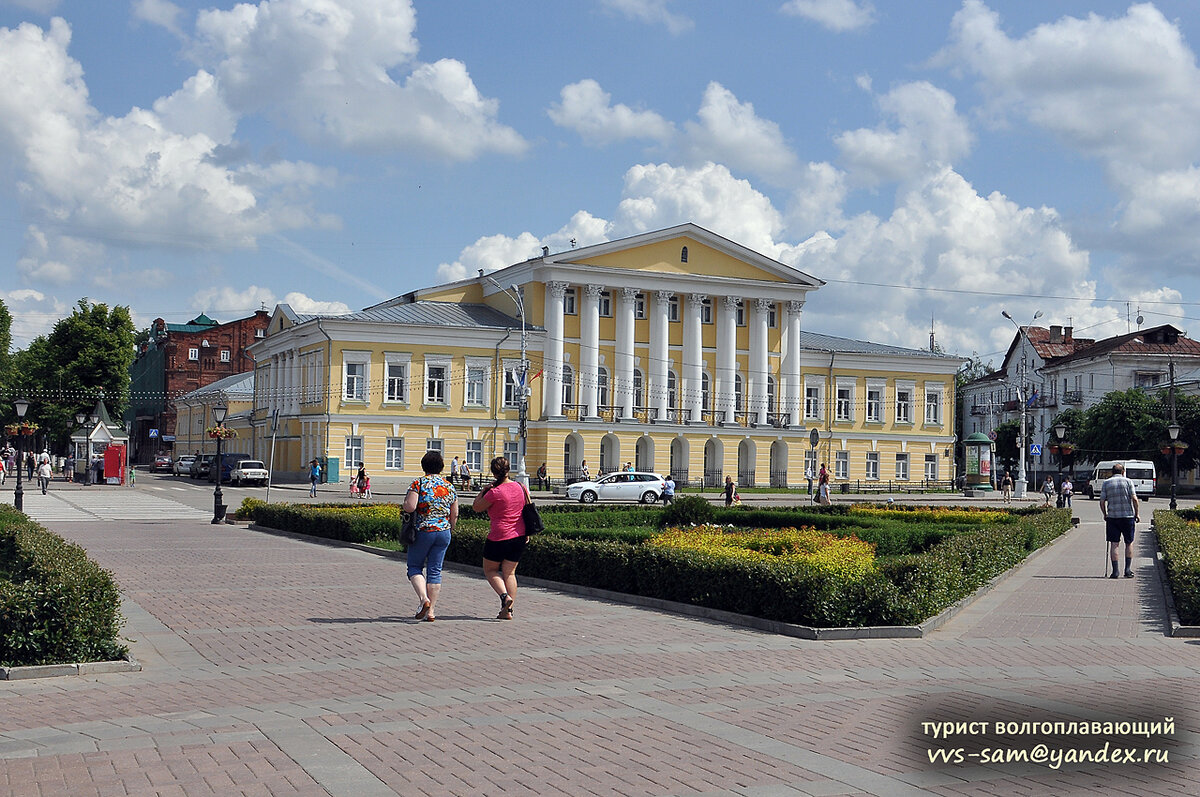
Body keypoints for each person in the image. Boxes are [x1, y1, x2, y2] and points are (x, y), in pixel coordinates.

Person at [403, 450, 458, 622]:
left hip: (423, 530)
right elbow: (454, 513)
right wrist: (450, 529)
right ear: (441, 467)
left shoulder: (418, 483)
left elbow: (410, 507)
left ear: (423, 466)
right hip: (444, 532)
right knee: (435, 571)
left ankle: (423, 599)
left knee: (414, 566)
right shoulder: (449, 486)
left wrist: (405, 503)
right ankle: (432, 611)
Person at [472, 456, 529, 620]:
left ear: (493, 473)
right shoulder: (520, 487)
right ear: (508, 470)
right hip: (519, 536)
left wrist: (483, 490)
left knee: (490, 570)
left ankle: (504, 597)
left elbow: (477, 507)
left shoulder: (494, 492)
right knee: (510, 573)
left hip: (498, 536)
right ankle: (508, 612)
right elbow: (527, 510)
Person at [1099, 462, 1140, 579]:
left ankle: (1115, 572)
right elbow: (1135, 499)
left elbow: (1102, 501)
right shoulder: (1128, 482)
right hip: (1128, 517)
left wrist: (1105, 514)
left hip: (1112, 517)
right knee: (1129, 543)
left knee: (1114, 544)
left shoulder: (1106, 483)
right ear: (1123, 472)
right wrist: (1136, 514)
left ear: (1112, 472)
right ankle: (1127, 570)